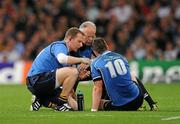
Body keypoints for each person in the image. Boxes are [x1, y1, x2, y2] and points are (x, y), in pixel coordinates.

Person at [26, 27, 91, 111]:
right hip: (36, 79)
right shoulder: (60, 45)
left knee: (76, 107)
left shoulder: (66, 52)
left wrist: (78, 77)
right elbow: (62, 59)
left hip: (44, 83)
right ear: (70, 39)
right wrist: (82, 60)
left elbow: (66, 82)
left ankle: (40, 100)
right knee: (73, 71)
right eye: (79, 41)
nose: (81, 45)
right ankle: (60, 103)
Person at [90, 37, 157, 111]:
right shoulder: (121, 57)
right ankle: (151, 103)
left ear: (94, 51)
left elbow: (97, 88)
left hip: (122, 105)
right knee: (132, 76)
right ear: (107, 46)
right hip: (138, 99)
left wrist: (94, 110)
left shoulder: (95, 63)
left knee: (99, 103)